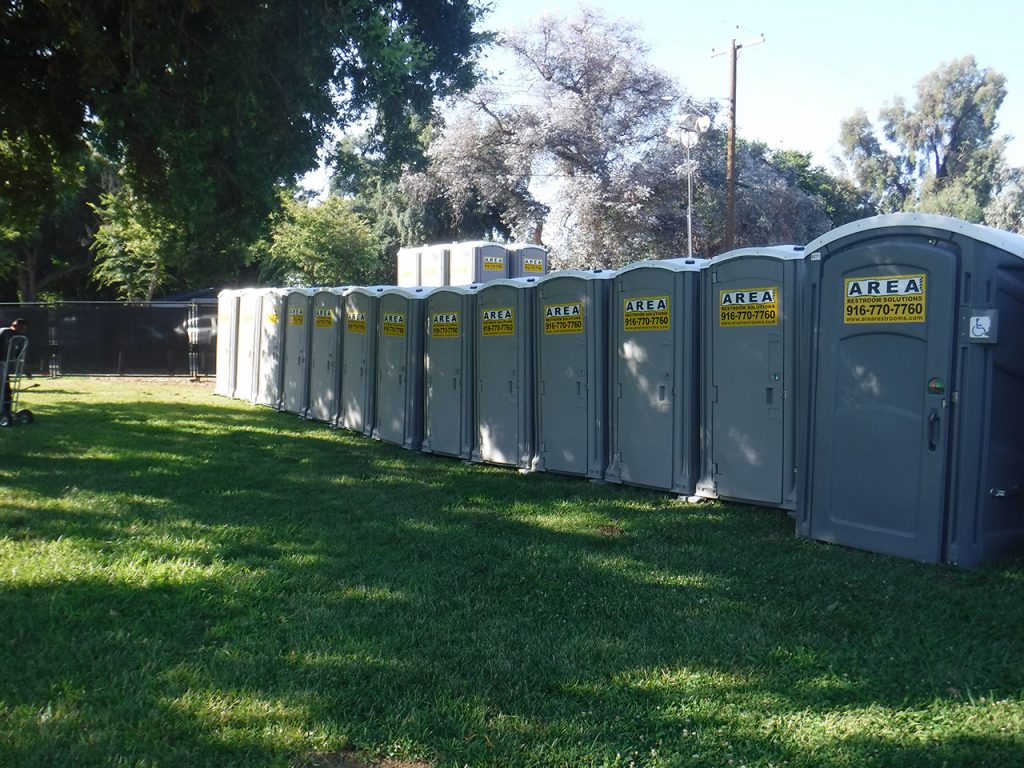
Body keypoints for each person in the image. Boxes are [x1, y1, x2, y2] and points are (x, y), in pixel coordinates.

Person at [0, 318, 27, 416]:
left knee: (6, 389)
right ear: (14, 325)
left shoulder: (17, 338)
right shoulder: (4, 332)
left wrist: (26, 370)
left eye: (23, 329)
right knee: (2, 387)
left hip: (3, 364)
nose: (21, 331)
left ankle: (7, 411)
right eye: (20, 329)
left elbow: (18, 355)